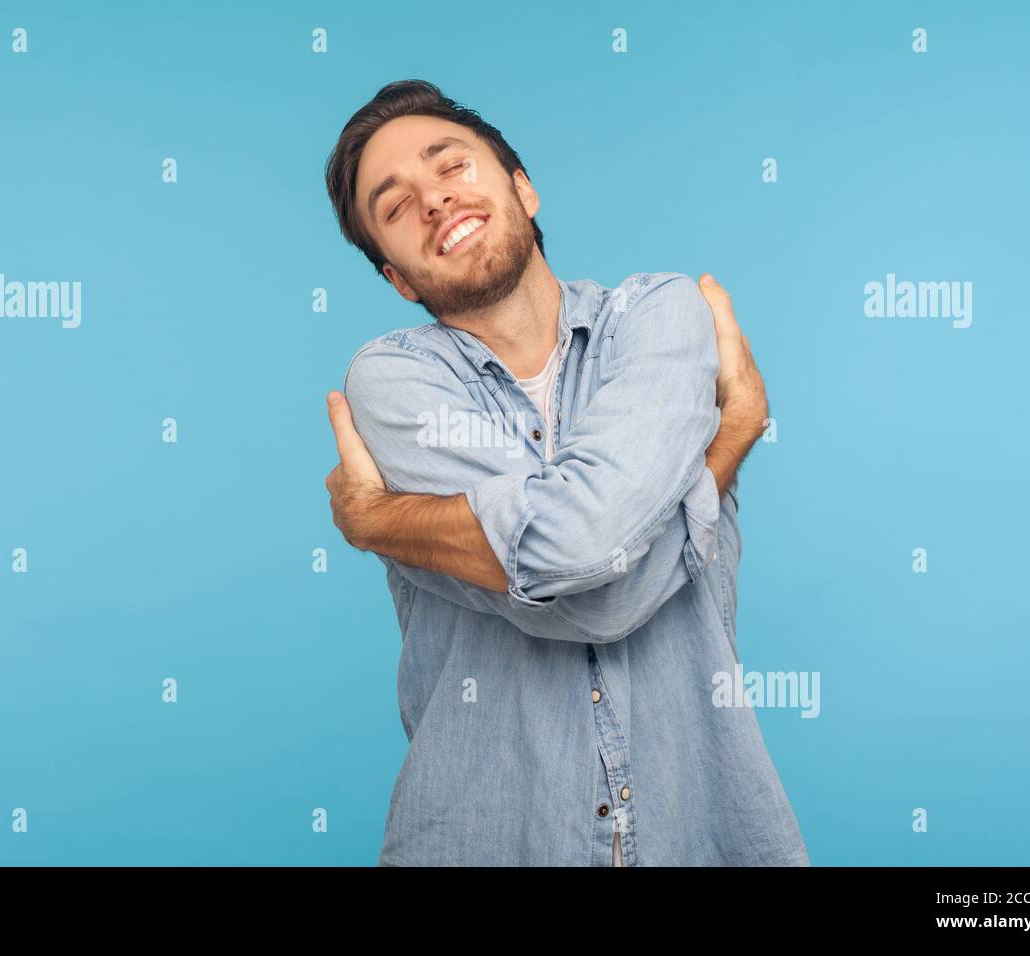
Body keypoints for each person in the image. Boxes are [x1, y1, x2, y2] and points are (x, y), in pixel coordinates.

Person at [322, 79, 809, 866]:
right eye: (395, 205)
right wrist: (724, 448)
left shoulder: (659, 315)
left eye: (451, 167)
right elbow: (595, 578)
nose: (436, 201)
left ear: (523, 187)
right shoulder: (390, 380)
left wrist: (381, 520)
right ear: (398, 279)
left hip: (706, 828)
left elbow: (588, 563)